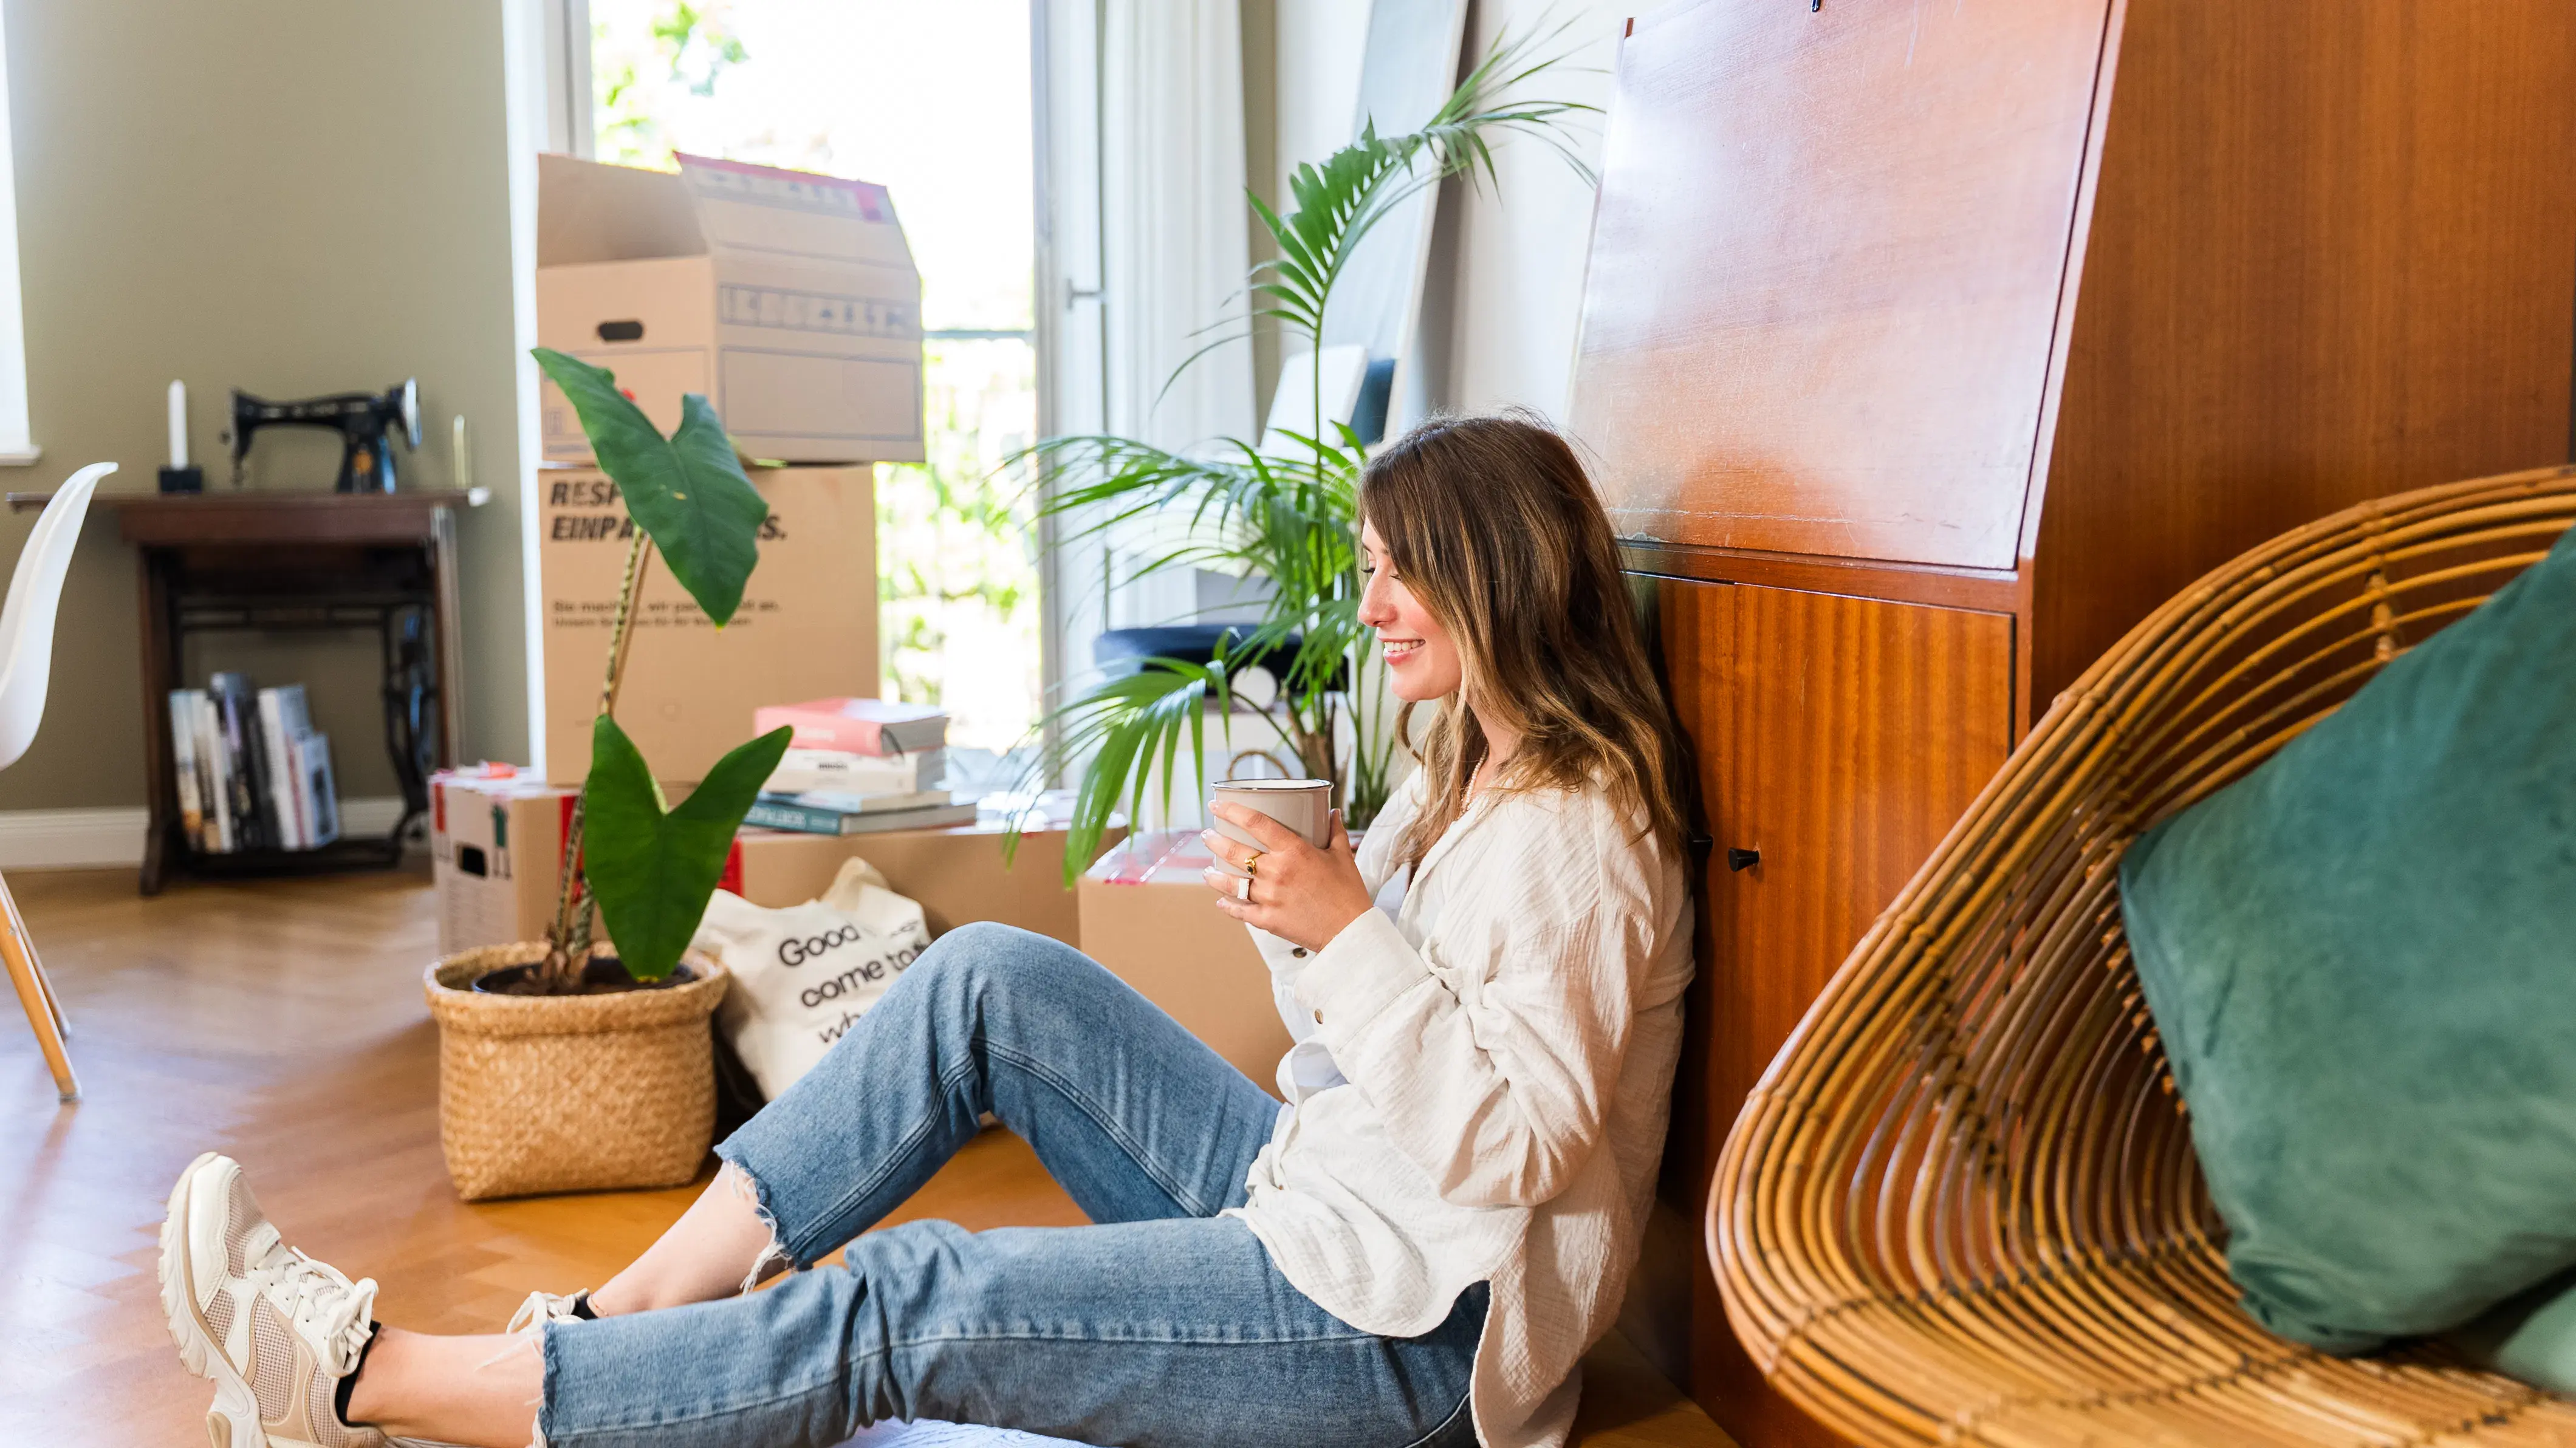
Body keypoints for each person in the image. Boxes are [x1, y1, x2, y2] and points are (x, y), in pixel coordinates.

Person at [157, 411, 1695, 1448]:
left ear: (1492, 568)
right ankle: (611, 1322)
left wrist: (1346, 927)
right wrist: (1309, 923)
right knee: (985, 980)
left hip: (1413, 1342)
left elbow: (1512, 1149)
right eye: (1366, 571)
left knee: (916, 1297)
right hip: (1332, 1208)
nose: (1367, 608)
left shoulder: (1575, 838)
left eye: (1396, 571)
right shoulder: (1461, 771)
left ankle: (365, 1384)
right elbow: (1359, 1056)